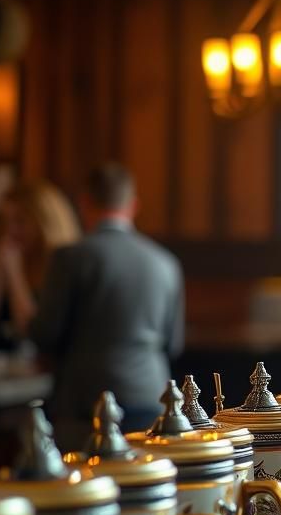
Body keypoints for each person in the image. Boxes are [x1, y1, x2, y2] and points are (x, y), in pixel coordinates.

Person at [29, 163, 184, 449]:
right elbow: (173, 343)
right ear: (133, 205)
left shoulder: (69, 258)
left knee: (88, 488)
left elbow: (45, 334)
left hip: (86, 405)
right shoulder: (165, 263)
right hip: (151, 397)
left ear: (84, 202)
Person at [0, 181, 80, 354]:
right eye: (4, 222)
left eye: (20, 221)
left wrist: (15, 277)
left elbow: (35, 337)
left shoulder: (65, 277)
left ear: (45, 223)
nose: (10, 231)